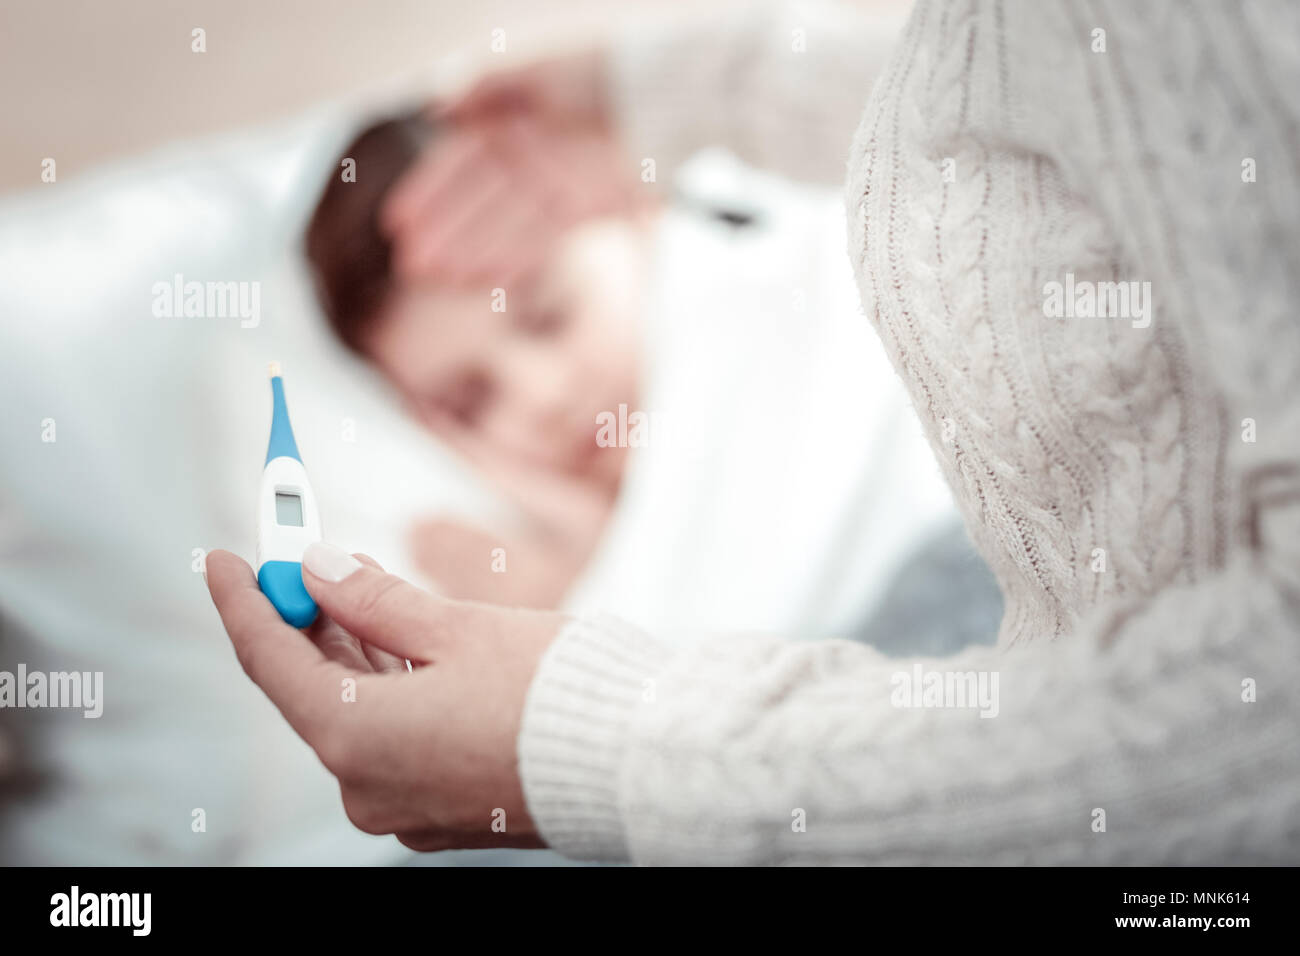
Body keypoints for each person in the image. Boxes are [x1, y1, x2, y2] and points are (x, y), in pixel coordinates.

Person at [206, 0, 1300, 863]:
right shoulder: (509, 558)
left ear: (634, 225)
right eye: (464, 404)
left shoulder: (789, 282)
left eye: (543, 315)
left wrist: (578, 731)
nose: (536, 400)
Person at [303, 110, 652, 607]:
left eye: (548, 315)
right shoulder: (539, 599)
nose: (546, 395)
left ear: (635, 213)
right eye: (470, 401)